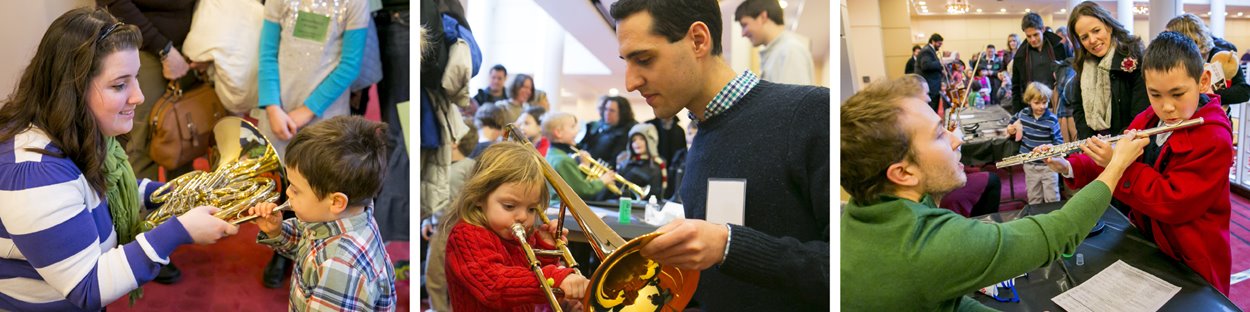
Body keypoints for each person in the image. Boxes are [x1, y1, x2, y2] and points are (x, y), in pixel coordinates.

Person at [841, 75, 1148, 310]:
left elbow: (949, 304)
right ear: (903, 173)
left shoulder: (865, 209)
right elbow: (1058, 234)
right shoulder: (926, 246)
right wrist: (1117, 164)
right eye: (938, 135)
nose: (957, 140)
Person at [0, 8, 238, 310]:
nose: (138, 96)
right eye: (119, 84)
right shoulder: (35, 174)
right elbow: (87, 286)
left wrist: (171, 194)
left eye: (135, 78)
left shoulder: (76, 130)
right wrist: (179, 231)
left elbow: (104, 193)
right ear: (71, 90)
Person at [610, 0, 828, 309]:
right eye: (626, 62)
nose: (630, 82)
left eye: (644, 59)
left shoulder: (809, 112)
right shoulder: (702, 138)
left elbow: (846, 271)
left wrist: (729, 245)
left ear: (698, 40)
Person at [1045, 31, 1233, 295]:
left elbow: (1174, 203)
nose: (1166, 107)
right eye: (1155, 94)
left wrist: (1119, 164)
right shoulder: (1149, 118)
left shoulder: (1214, 137)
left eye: (1177, 94)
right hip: (1151, 243)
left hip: (1191, 258)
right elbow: (1116, 153)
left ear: (1203, 81)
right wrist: (1070, 165)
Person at [247, 116, 397, 310]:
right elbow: (309, 246)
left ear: (336, 202)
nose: (287, 192)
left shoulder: (340, 269)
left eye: (295, 189)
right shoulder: (350, 214)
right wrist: (277, 231)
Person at [98, 0, 199, 285]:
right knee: (141, 150)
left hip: (188, 52)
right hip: (147, 52)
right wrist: (165, 49)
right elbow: (114, 3)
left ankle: (184, 221)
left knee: (182, 141)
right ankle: (145, 244)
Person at [441, 141, 590, 311]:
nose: (523, 217)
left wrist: (545, 248)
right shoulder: (466, 235)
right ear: (478, 197)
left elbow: (526, 279)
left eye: (532, 208)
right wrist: (554, 279)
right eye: (509, 206)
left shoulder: (516, 237)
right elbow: (495, 286)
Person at [257, 0, 369, 156]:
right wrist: (272, 107)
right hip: (279, 115)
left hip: (327, 115)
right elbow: (267, 54)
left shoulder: (354, 3)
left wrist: (308, 110)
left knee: (322, 174)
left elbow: (350, 65)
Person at [1067, 1, 1150, 139]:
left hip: (1129, 144)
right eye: (1084, 37)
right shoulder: (1083, 66)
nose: (1092, 40)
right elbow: (1079, 111)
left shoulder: (1134, 59)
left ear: (1109, 26)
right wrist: (1091, 144)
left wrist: (1114, 148)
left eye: (1096, 30)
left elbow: (1141, 115)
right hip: (1094, 148)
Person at [1167, 13, 1250, 106]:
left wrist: (1206, 95)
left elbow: (1244, 91)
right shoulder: (1179, 58)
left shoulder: (1221, 56)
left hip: (1215, 116)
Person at [1007, 83, 1064, 204]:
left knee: (1052, 197)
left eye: (1044, 102)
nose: (1041, 106)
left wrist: (1054, 151)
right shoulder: (1023, 114)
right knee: (1034, 197)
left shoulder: (1051, 119)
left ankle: (1053, 220)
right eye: (1037, 103)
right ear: (1029, 101)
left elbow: (1059, 141)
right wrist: (1010, 128)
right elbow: (1012, 121)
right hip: (1030, 165)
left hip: (1049, 166)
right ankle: (1035, 218)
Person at [733, 0, 814, 85]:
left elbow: (796, 98)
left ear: (763, 17)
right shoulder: (778, 52)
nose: (743, 34)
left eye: (744, 25)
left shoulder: (790, 50)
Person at [544, 112, 616, 200]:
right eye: (572, 127)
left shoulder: (552, 153)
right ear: (558, 132)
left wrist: (584, 166)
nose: (577, 130)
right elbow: (582, 190)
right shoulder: (564, 160)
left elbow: (573, 184)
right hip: (562, 208)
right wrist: (602, 181)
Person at [1011, 12, 1070, 115]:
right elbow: (1016, 88)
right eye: (1028, 36)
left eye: (1035, 34)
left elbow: (1070, 76)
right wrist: (1017, 115)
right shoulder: (1020, 56)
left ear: (1043, 29)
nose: (1033, 39)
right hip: (1032, 109)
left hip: (1059, 105)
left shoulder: (1059, 48)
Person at [578, 96, 637, 168]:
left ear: (622, 113)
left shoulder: (628, 131)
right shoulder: (599, 126)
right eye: (606, 109)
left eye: (612, 110)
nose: (607, 113)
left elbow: (615, 162)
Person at [615, 123, 665, 200]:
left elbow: (655, 194)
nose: (637, 143)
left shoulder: (656, 166)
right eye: (634, 140)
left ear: (650, 142)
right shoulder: (625, 163)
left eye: (641, 139)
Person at [916, 33, 946, 112]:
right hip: (931, 86)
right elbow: (926, 66)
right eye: (939, 43)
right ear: (933, 41)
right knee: (932, 109)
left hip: (932, 85)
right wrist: (941, 63)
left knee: (934, 108)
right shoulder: (927, 51)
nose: (940, 46)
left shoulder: (929, 50)